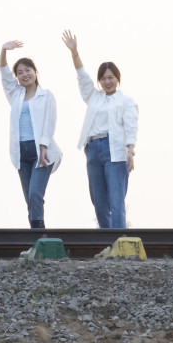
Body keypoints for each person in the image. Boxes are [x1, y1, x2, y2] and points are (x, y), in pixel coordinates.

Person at [62, 30, 138, 229]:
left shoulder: (126, 101)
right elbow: (82, 77)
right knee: (98, 200)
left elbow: (131, 125)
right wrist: (74, 52)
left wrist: (131, 149)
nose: (107, 81)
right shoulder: (94, 97)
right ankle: (107, 240)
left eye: (111, 77)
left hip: (115, 151)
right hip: (93, 149)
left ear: (117, 78)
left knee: (116, 199)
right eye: (103, 78)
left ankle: (120, 240)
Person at [0, 40, 62, 229]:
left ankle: (39, 234)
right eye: (19, 72)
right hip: (21, 152)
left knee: (36, 193)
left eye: (27, 70)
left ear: (35, 72)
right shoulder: (15, 95)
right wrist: (3, 50)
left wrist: (43, 147)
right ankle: (36, 238)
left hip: (42, 151)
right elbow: (3, 72)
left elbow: (50, 123)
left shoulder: (46, 95)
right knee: (30, 198)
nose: (24, 74)